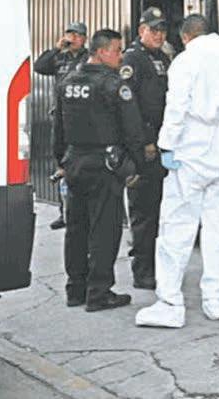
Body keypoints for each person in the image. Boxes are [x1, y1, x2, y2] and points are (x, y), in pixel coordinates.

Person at [135, 15, 219, 328]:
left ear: (185, 37)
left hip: (191, 152)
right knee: (216, 230)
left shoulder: (186, 62)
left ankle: (170, 304)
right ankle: (216, 302)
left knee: (176, 228)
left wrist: (167, 146)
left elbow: (176, 107)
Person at [54, 29, 148, 312]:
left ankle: (75, 289)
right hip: (104, 165)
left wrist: (61, 161)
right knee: (104, 230)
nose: (121, 56)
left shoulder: (68, 82)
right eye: (117, 50)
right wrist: (137, 166)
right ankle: (99, 292)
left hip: (75, 162)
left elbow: (59, 127)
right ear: (102, 51)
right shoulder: (113, 85)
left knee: (76, 228)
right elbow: (133, 131)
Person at [121, 7, 172, 289]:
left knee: (160, 210)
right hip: (145, 147)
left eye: (162, 30)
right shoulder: (133, 59)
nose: (159, 35)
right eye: (154, 30)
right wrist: (144, 142)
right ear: (141, 30)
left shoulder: (161, 57)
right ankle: (142, 271)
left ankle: (156, 265)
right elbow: (129, 107)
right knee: (143, 212)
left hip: (163, 144)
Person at [35, 22, 89, 230]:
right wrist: (56, 48)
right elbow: (39, 66)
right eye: (69, 34)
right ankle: (63, 211)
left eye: (76, 35)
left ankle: (78, 210)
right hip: (60, 118)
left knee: (78, 162)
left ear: (84, 38)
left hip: (81, 119)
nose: (72, 38)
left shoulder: (88, 58)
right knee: (61, 162)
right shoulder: (60, 57)